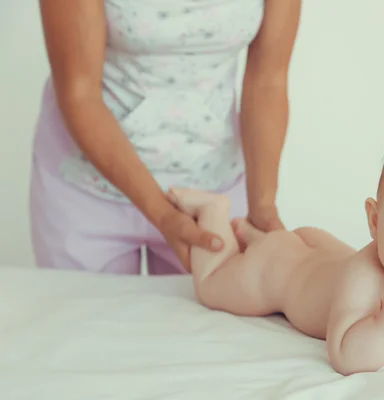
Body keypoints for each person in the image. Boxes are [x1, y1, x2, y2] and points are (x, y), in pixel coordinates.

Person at [168, 121, 384, 375]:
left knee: (289, 247)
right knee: (212, 286)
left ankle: (254, 236)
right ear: (375, 220)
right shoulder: (363, 274)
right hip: (280, 272)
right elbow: (346, 356)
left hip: (318, 249)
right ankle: (212, 212)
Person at [30, 0, 301, 274]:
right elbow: (80, 93)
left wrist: (263, 208)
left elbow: (269, 80)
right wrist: (162, 214)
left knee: (208, 316)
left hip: (210, 189)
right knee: (85, 316)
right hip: (89, 191)